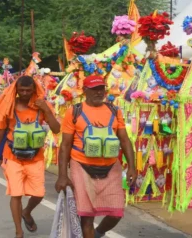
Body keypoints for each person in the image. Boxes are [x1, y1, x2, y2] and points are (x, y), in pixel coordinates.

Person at [55, 75, 137, 238]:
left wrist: (132, 168)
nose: (99, 92)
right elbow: (65, 145)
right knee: (87, 217)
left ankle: (98, 233)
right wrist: (62, 175)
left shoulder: (115, 111)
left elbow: (125, 140)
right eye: (94, 89)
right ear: (85, 91)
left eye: (101, 88)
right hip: (81, 166)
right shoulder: (74, 111)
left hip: (111, 167)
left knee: (116, 213)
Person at [0, 76, 60, 238]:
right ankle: (19, 231)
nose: (24, 93)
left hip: (36, 156)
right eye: (21, 90)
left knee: (39, 194)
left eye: (28, 90)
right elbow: (0, 133)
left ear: (33, 90)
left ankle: (27, 212)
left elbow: (56, 129)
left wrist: (46, 109)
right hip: (12, 156)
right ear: (16, 90)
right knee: (15, 194)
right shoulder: (10, 106)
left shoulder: (41, 105)